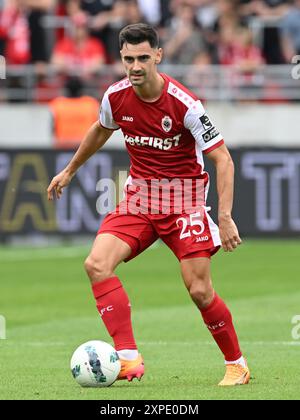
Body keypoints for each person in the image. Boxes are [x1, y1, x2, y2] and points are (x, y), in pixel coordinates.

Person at [47, 23, 250, 386]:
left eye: (143, 58)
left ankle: (237, 364)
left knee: (200, 290)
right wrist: (69, 170)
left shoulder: (185, 104)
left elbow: (223, 159)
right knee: (96, 264)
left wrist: (225, 216)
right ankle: (127, 357)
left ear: (158, 55)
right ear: (121, 59)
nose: (135, 66)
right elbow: (100, 128)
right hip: (140, 198)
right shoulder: (115, 97)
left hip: (184, 201)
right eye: (128, 59)